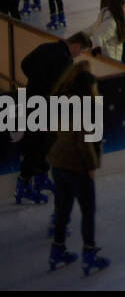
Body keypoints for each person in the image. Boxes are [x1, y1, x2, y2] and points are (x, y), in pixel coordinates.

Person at [45, 58, 109, 275]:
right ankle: (89, 256)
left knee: (63, 210)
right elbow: (84, 141)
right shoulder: (84, 108)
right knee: (88, 211)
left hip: (58, 163)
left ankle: (57, 252)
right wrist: (91, 167)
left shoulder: (64, 102)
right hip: (76, 167)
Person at [14, 32, 92, 206]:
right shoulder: (65, 61)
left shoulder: (45, 47)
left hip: (31, 101)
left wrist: (35, 83)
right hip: (46, 108)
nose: (79, 55)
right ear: (76, 46)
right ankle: (24, 183)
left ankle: (40, 177)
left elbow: (24, 64)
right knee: (38, 145)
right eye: (81, 51)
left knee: (41, 143)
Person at [89, 0, 125, 64]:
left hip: (114, 58)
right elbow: (99, 35)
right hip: (109, 60)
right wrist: (97, 47)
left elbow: (92, 29)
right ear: (118, 8)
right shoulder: (112, 23)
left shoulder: (118, 20)